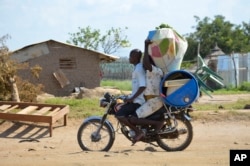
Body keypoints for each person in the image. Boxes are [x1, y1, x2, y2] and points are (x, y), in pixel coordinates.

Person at [129, 39, 165, 143]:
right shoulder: (149, 70)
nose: (144, 63)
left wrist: (145, 45)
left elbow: (145, 63)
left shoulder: (156, 70)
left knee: (133, 118)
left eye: (147, 60)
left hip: (154, 101)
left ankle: (157, 124)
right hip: (149, 100)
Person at [115, 48, 146, 143]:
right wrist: (129, 96)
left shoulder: (139, 69)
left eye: (131, 56)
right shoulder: (137, 68)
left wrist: (132, 98)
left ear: (136, 57)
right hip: (135, 99)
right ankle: (134, 130)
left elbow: (142, 86)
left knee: (119, 115)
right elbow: (138, 87)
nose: (129, 58)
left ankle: (138, 132)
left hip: (138, 102)